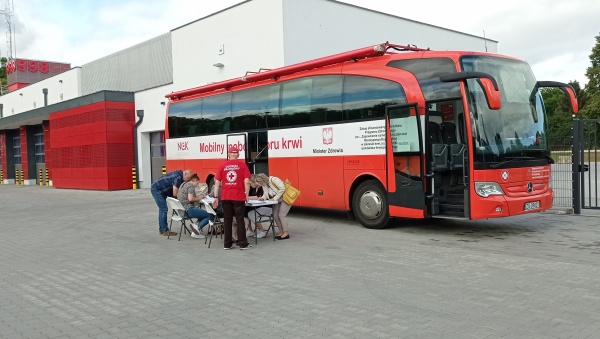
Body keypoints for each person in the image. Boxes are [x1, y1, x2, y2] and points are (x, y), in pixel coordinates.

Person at [212, 145, 252, 250]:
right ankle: (243, 244)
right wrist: (246, 195)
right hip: (238, 196)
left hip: (225, 196)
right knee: (240, 220)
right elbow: (247, 181)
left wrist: (216, 197)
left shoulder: (222, 166)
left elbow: (217, 182)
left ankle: (227, 244)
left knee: (227, 220)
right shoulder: (242, 165)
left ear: (229, 155)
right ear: (238, 155)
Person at [151, 169, 194, 236]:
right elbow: (175, 193)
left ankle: (162, 229)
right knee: (163, 209)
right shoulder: (179, 178)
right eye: (188, 178)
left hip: (160, 189)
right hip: (157, 189)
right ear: (185, 174)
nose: (188, 180)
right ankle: (164, 230)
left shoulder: (180, 174)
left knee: (162, 209)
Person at [249, 173, 291, 240]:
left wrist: (274, 199)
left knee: (281, 215)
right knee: (275, 215)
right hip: (277, 200)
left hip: (285, 198)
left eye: (260, 183)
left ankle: (286, 232)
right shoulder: (264, 184)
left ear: (262, 180)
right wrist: (262, 198)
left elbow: (282, 189)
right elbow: (265, 194)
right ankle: (281, 231)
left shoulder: (274, 179)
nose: (260, 185)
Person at [177, 173, 211, 239]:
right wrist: (200, 198)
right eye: (197, 183)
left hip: (182, 210)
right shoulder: (190, 186)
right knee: (210, 215)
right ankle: (197, 229)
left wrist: (198, 197)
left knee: (202, 214)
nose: (197, 186)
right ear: (194, 180)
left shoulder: (183, 184)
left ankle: (195, 226)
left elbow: (188, 197)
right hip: (189, 209)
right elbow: (190, 199)